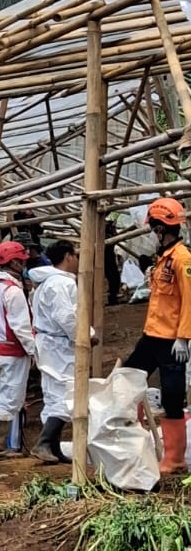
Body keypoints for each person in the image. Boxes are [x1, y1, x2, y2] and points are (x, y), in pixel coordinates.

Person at [120, 196, 191, 474]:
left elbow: (189, 300)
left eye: (154, 228)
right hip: (153, 335)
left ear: (161, 229)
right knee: (127, 378)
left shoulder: (182, 259)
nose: (152, 232)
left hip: (172, 340)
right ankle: (133, 438)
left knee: (172, 397)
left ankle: (174, 459)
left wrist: (184, 337)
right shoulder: (165, 258)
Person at [28, 240, 96, 464]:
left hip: (51, 343)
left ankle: (53, 448)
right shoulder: (59, 284)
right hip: (57, 346)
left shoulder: (48, 283)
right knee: (68, 392)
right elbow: (66, 316)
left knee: (55, 392)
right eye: (75, 255)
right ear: (68, 256)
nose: (77, 259)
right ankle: (45, 442)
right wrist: (84, 336)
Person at [0, 239, 38, 456]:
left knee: (0, 396)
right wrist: (35, 352)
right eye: (21, 261)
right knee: (10, 400)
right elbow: (21, 327)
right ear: (14, 263)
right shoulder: (13, 292)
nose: (24, 266)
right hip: (11, 353)